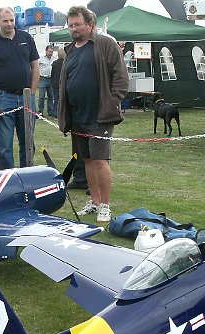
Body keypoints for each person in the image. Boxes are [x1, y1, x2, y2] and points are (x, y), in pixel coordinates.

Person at [58, 6, 128, 223]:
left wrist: (112, 102)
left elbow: (120, 76)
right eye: (71, 25)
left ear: (90, 24)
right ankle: (94, 201)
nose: (74, 29)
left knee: (100, 160)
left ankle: (105, 205)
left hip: (100, 115)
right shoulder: (70, 50)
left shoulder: (105, 44)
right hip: (77, 115)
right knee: (87, 160)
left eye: (78, 24)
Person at [0, 6, 39, 169]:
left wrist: (32, 93)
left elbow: (35, 66)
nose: (9, 24)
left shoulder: (26, 38)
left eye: (12, 20)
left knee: (27, 143)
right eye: (5, 21)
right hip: (3, 98)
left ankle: (27, 176)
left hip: (26, 97)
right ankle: (8, 179)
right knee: (4, 147)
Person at [38, 45, 55, 117]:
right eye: (49, 52)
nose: (51, 53)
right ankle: (40, 111)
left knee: (50, 96)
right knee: (41, 96)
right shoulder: (41, 57)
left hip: (51, 79)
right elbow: (36, 66)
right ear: (46, 51)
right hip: (43, 78)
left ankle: (50, 111)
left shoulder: (54, 58)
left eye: (52, 52)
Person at [50, 46, 64, 120]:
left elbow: (52, 74)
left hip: (56, 84)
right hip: (63, 84)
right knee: (63, 99)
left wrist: (52, 82)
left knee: (56, 99)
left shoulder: (55, 63)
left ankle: (55, 114)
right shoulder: (66, 62)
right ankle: (62, 114)